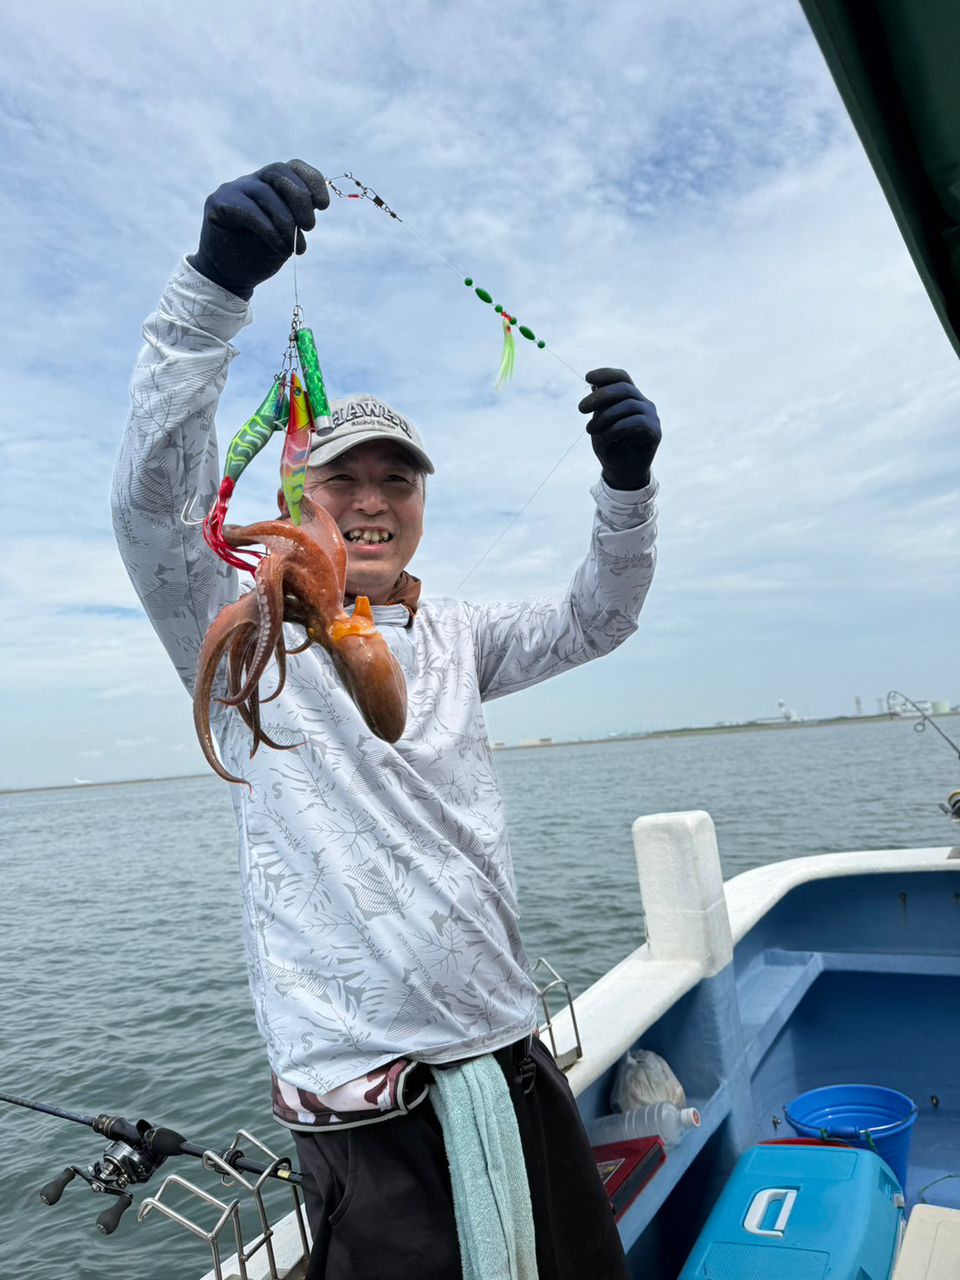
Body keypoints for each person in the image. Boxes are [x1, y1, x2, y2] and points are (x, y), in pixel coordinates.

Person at [112, 160, 661, 1280]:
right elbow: (151, 508)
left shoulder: (458, 632)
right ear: (295, 498)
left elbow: (598, 617)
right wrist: (210, 292)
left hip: (511, 1057)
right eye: (341, 478)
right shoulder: (237, 626)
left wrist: (627, 489)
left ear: (420, 501)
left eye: (396, 479)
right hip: (365, 1102)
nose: (369, 499)